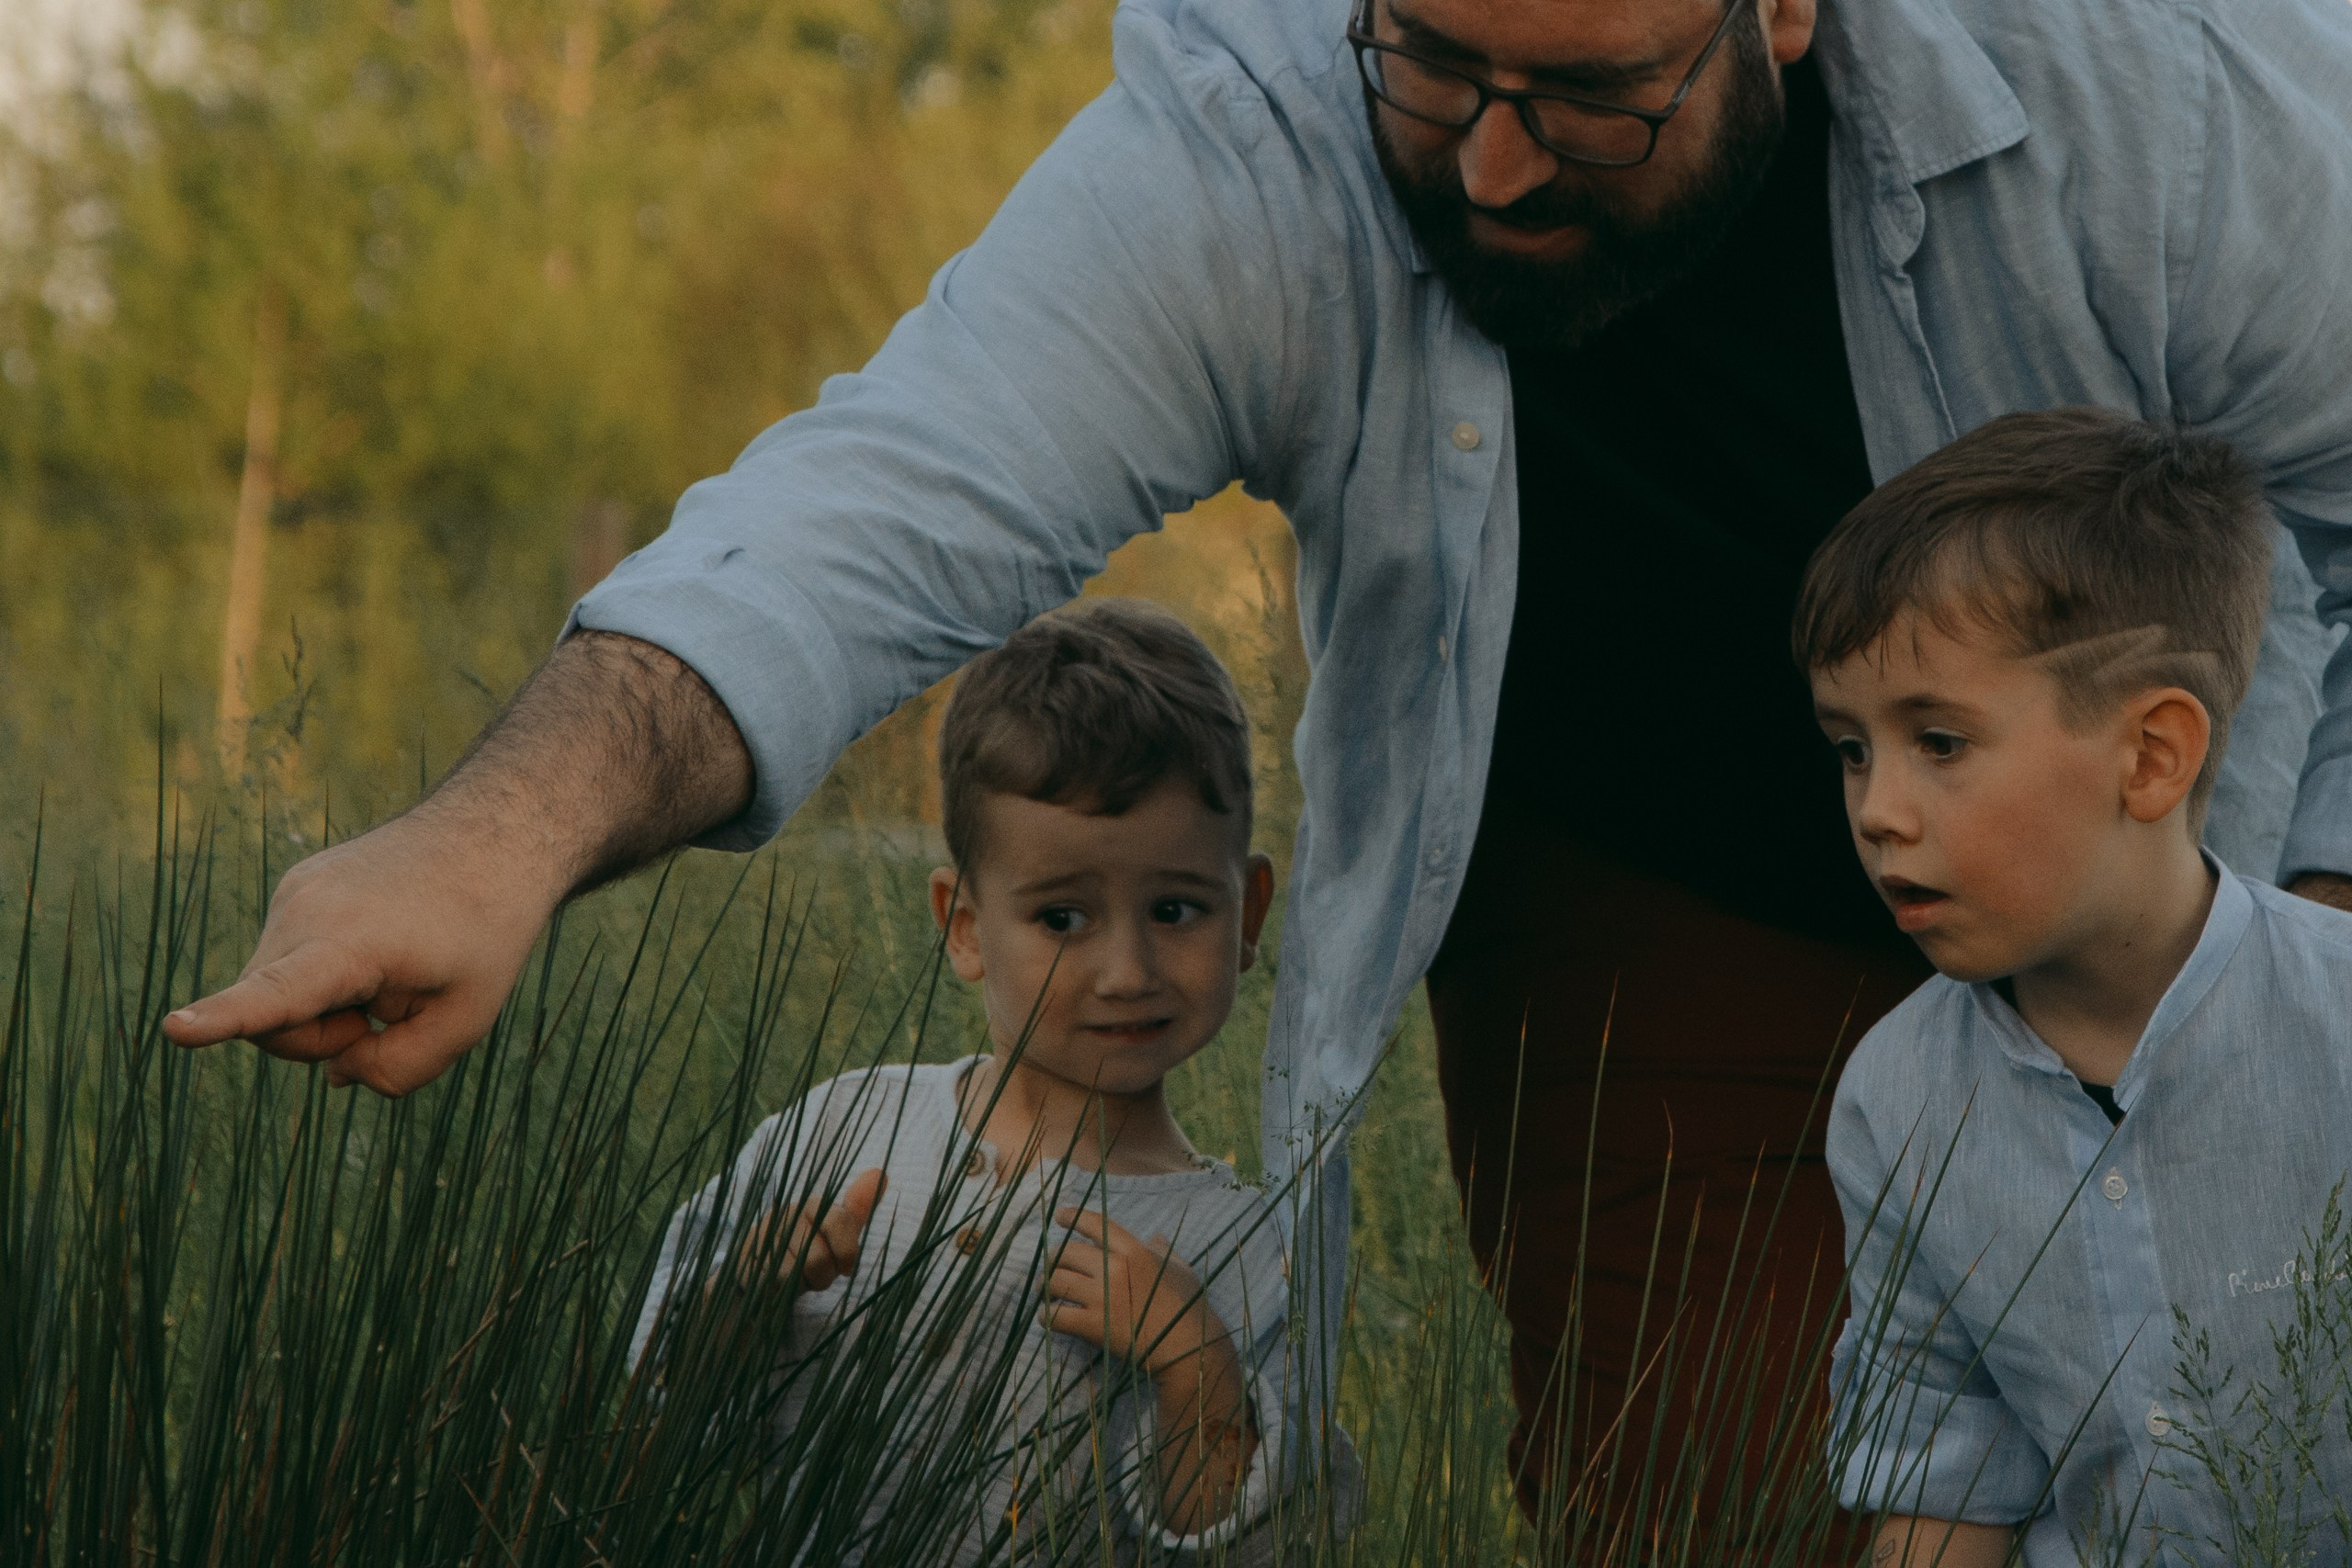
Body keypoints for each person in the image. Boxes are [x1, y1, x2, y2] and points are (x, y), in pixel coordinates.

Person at [164, 0, 2352, 1524]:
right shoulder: (1252, 128)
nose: (1491, 159)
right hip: (1636, 885)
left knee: (2233, 1459)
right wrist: (498, 833)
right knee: (1719, 1499)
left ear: (1779, 8)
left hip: (2152, 880)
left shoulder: (2164, 96)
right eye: (1433, 65)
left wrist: (2307, 959)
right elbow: (884, 492)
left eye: (1587, 95)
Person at [630, 600, 1351, 1563]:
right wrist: (739, 1303)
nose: (1127, 969)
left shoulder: (1251, 1255)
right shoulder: (851, 1130)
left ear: (1249, 908)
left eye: (1175, 909)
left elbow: (1258, 1549)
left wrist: (1197, 1369)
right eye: (1062, 918)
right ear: (964, 925)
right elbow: (653, 1419)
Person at [1798, 410, 2352, 1565]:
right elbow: (1943, 1492)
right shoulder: (1893, 1102)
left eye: (1937, 741)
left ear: (2151, 756)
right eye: (1852, 748)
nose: (1876, 810)